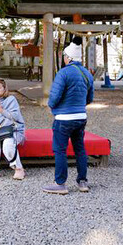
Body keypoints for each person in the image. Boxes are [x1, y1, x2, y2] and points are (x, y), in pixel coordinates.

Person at [43, 42, 94, 195]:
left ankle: (60, 183)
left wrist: (52, 106)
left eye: (64, 56)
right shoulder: (87, 73)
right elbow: (89, 98)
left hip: (64, 118)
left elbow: (54, 97)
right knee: (80, 149)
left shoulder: (63, 73)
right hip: (81, 116)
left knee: (60, 150)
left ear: (68, 57)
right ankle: (82, 181)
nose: (64, 58)